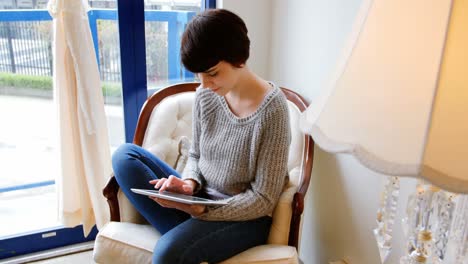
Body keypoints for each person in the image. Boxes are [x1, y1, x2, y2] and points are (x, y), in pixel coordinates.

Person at [112, 8, 291, 264]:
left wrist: (202, 211)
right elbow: (196, 154)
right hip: (200, 198)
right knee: (125, 157)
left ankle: (185, 237)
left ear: (238, 56)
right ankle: (188, 234)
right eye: (199, 74)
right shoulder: (206, 95)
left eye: (212, 73)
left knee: (166, 254)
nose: (204, 84)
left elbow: (263, 200)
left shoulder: (273, 109)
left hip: (245, 218)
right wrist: (188, 184)